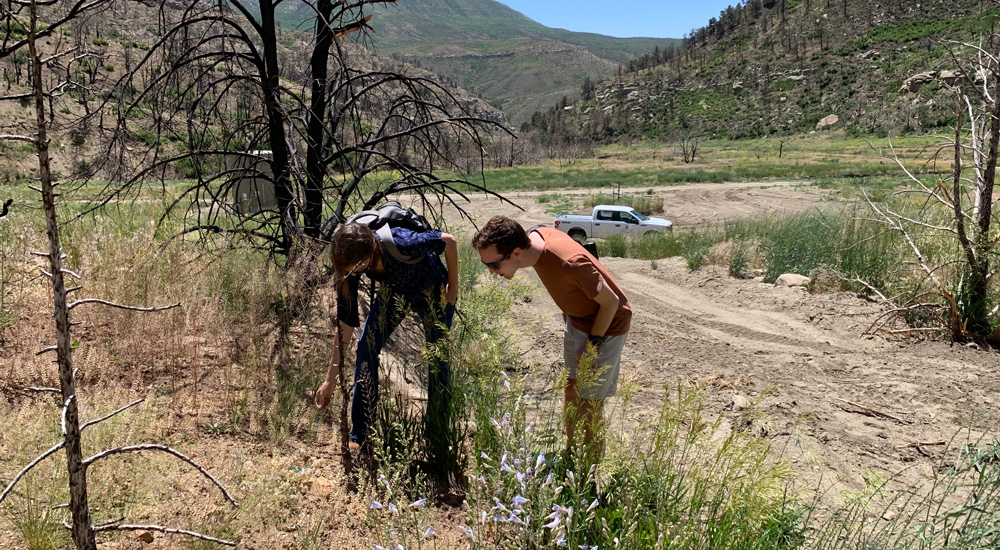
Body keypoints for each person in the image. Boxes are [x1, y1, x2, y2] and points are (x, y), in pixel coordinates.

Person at [472, 216, 631, 460]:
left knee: (589, 403)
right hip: (578, 319)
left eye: (493, 265)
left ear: (515, 252)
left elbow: (612, 302)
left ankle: (587, 473)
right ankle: (572, 456)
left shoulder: (568, 263)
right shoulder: (535, 237)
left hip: (606, 326)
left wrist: (592, 346)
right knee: (572, 390)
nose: (493, 272)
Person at [315, 221, 459, 453]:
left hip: (433, 288)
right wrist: (330, 378)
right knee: (366, 346)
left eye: (354, 268)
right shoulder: (351, 269)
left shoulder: (402, 242)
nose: (351, 273)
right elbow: (345, 323)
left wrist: (454, 284)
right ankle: (361, 432)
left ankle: (436, 436)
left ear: (369, 253)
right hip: (397, 290)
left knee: (437, 358)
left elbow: (448, 241)